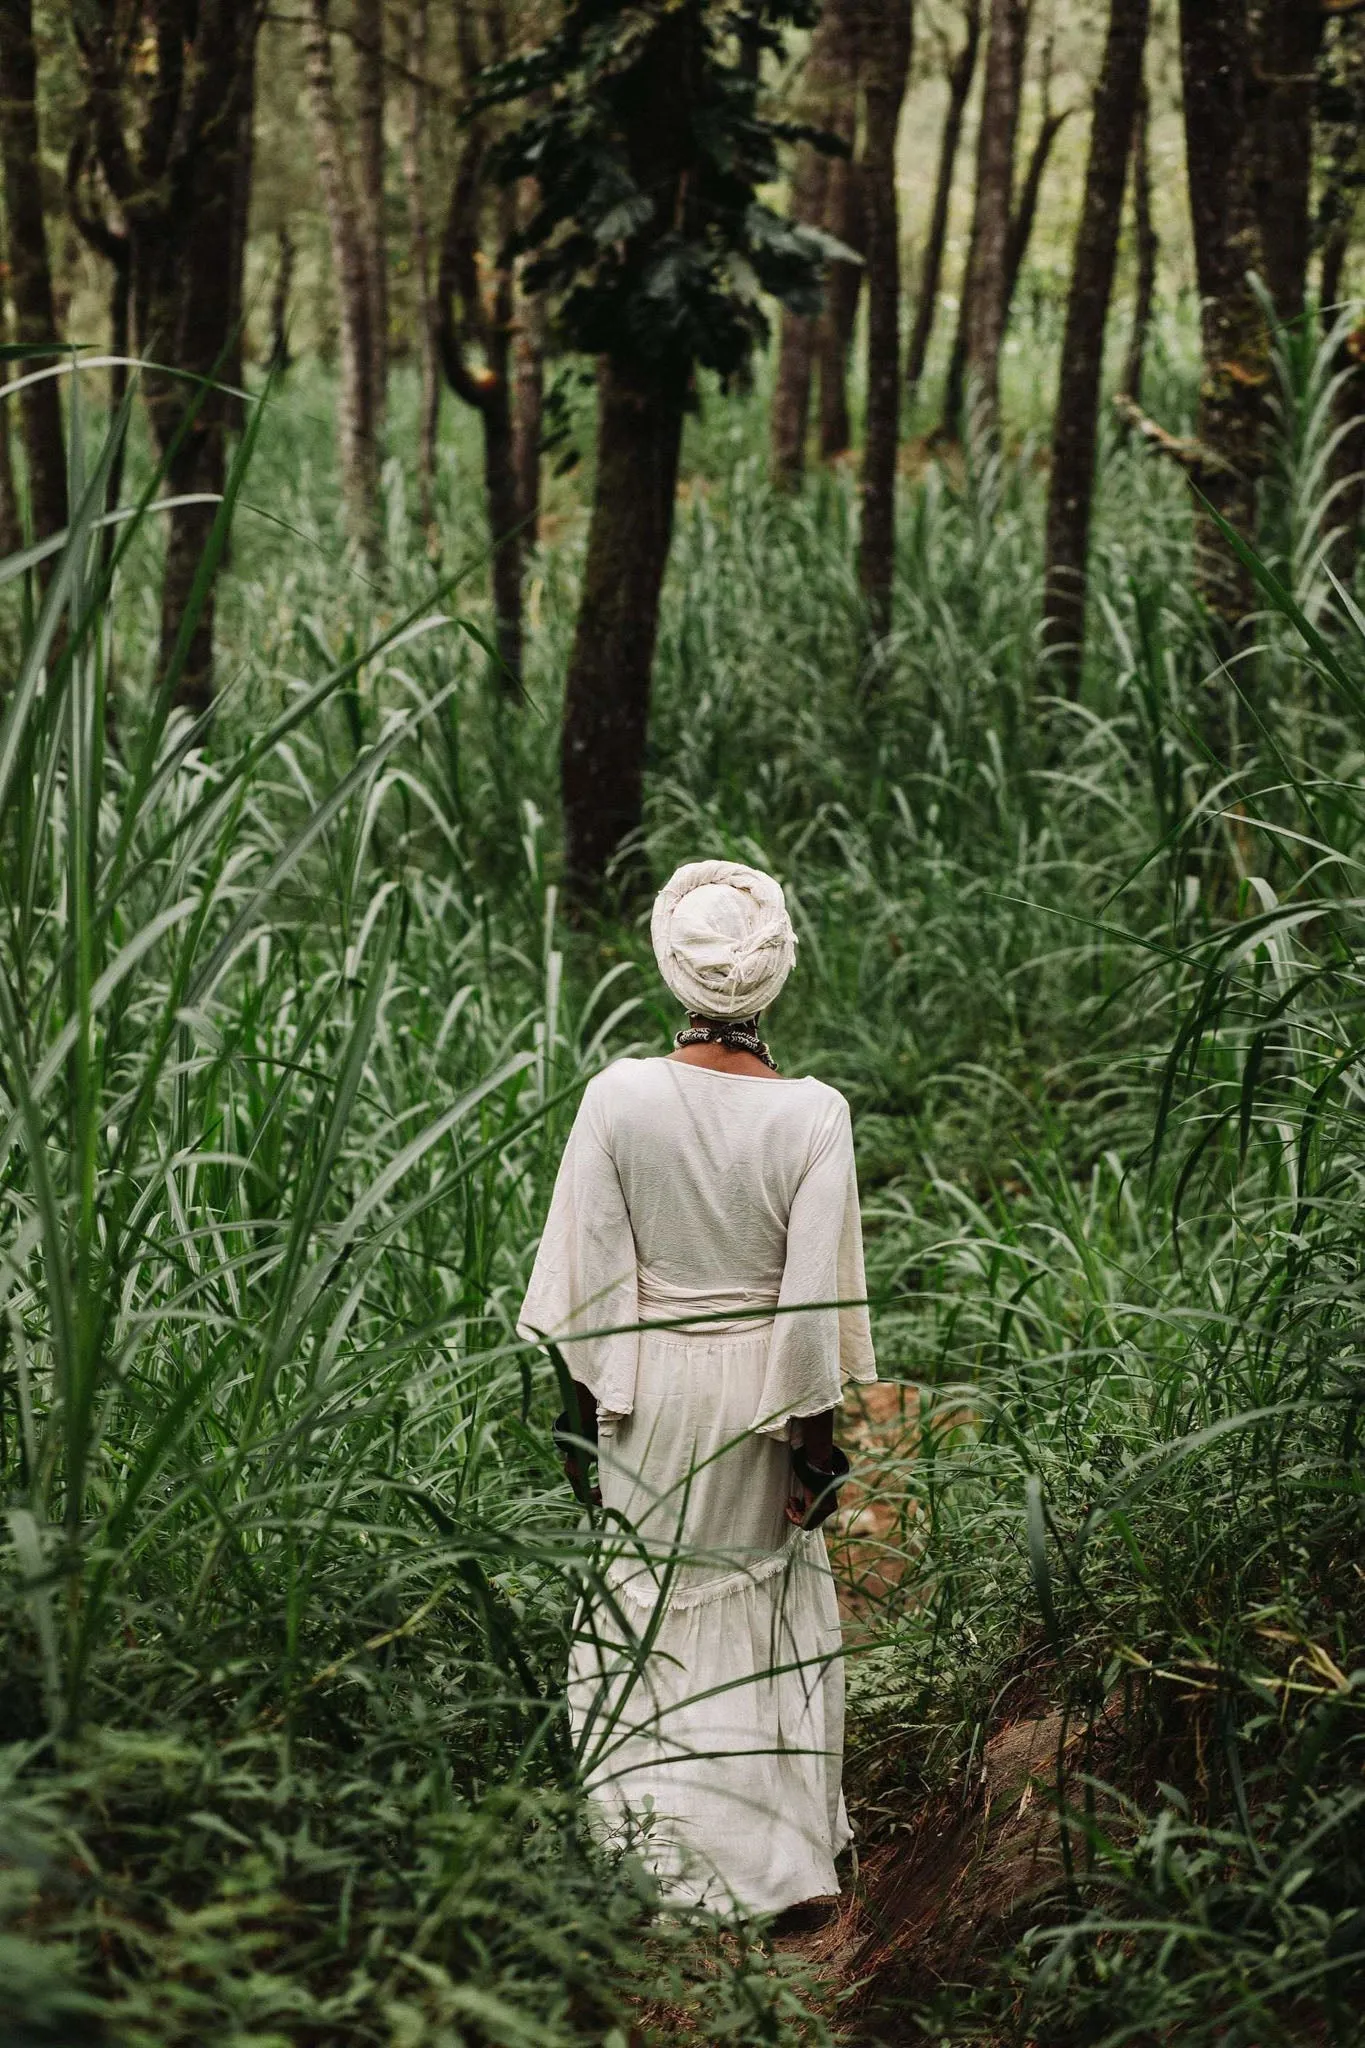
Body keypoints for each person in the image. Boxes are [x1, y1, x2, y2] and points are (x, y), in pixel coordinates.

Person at [518, 858, 876, 1919]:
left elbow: (580, 1284)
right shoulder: (815, 1115)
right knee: (753, 1601)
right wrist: (812, 1451)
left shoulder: (617, 1096)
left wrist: (580, 1427)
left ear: (674, 970)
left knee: (645, 1597)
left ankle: (646, 1860)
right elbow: (810, 1310)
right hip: (757, 1398)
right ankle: (771, 1864)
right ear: (774, 979)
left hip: (646, 1389)